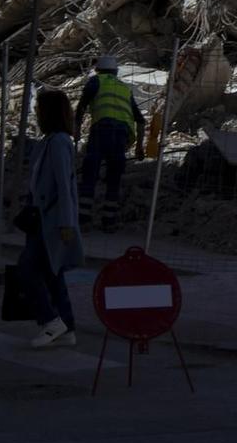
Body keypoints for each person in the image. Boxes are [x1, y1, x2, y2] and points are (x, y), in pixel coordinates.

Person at [17, 87, 85, 348]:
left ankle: (50, 320)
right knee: (51, 272)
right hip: (41, 217)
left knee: (28, 270)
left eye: (38, 109)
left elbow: (65, 186)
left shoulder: (58, 142)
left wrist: (67, 223)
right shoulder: (48, 141)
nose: (35, 113)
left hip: (52, 220)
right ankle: (67, 327)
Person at [77, 54, 145, 230]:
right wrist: (139, 147)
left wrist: (76, 133)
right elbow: (141, 120)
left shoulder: (95, 81)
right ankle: (109, 222)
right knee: (114, 178)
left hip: (102, 129)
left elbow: (81, 107)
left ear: (98, 69)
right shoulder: (124, 88)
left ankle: (83, 220)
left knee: (90, 173)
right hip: (122, 135)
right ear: (115, 72)